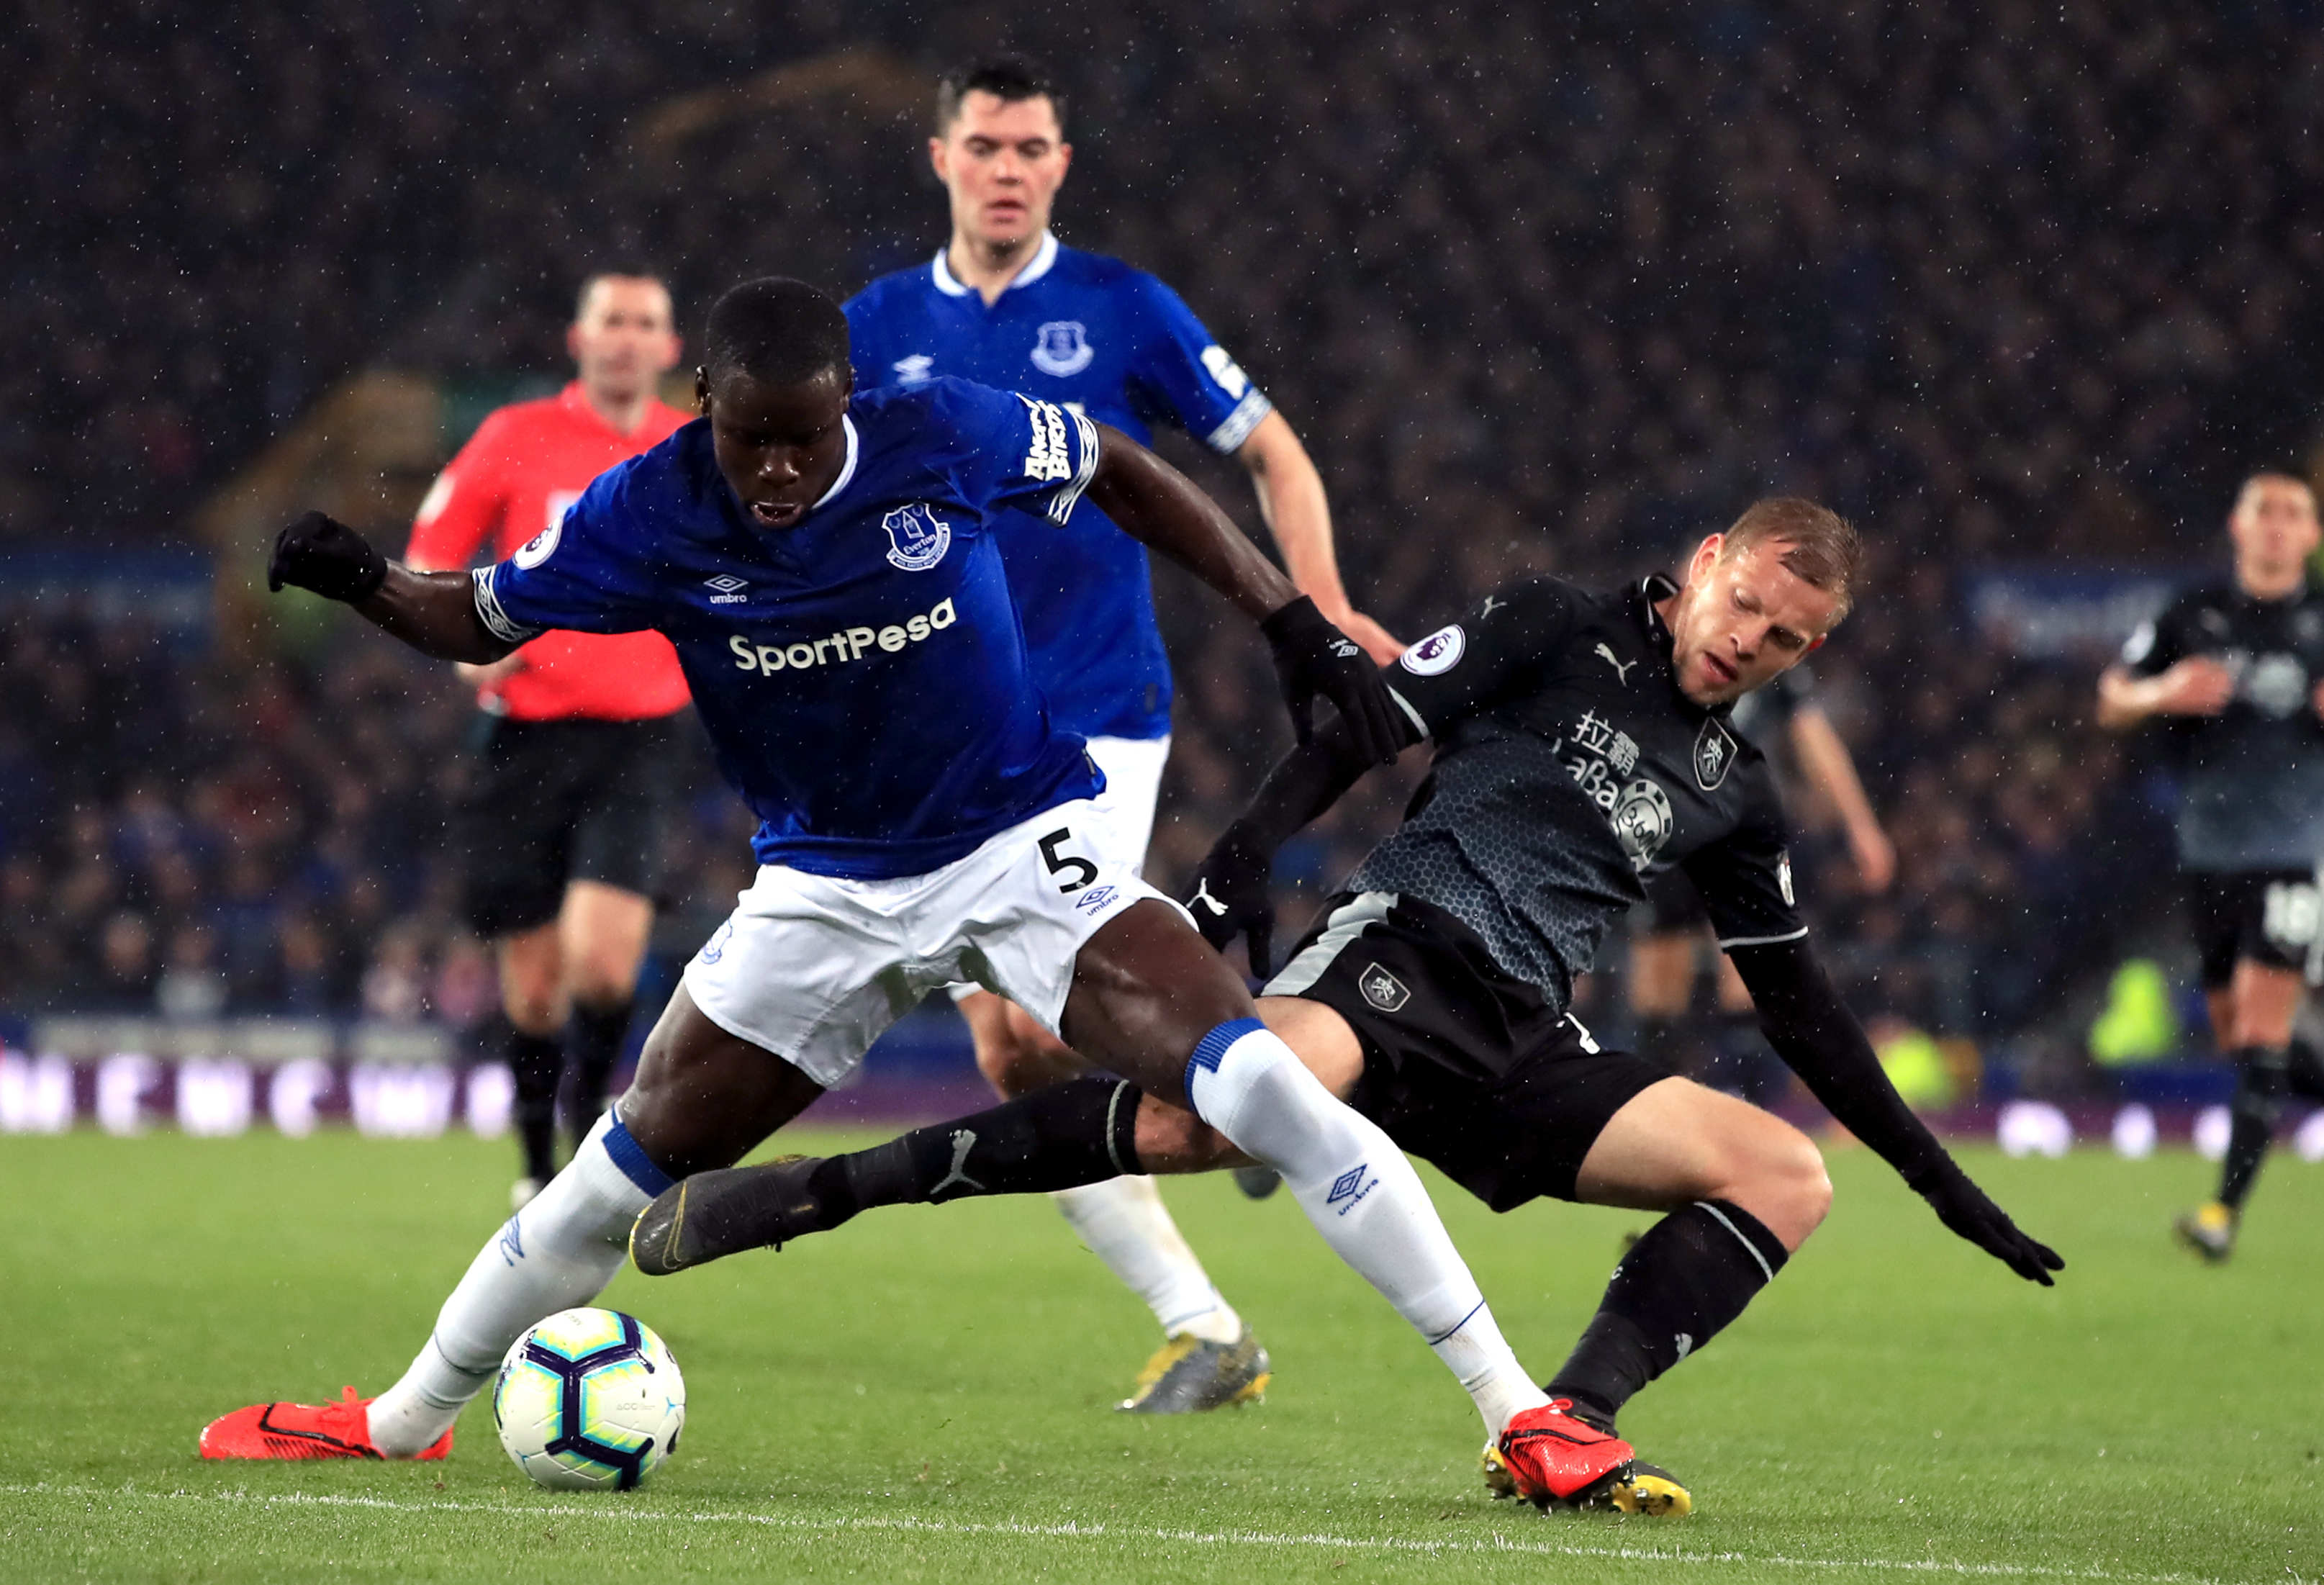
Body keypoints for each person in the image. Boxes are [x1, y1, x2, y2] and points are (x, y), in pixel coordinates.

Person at [201, 278, 1625, 1512]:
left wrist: (1291, 622)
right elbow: (480, 615)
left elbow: (1122, 469)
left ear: (849, 399)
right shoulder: (648, 508)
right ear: (704, 409)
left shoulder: (939, 429)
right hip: (820, 891)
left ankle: (1522, 1412)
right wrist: (368, 582)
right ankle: (401, 1421)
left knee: (1258, 1083)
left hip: (1019, 846)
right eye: (749, 439)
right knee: (611, 1177)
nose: (775, 469)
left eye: (802, 436)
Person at [628, 498, 2064, 1514]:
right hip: (1402, 958)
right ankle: (822, 1191)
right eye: (1746, 603)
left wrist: (1946, 1187)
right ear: (1707, 565)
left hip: (1524, 1039)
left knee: (1786, 1173)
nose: (1751, 641)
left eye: (1788, 641)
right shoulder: (1555, 624)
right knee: (1200, 1124)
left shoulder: (1734, 793)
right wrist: (1236, 867)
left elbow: (1804, 1011)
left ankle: (1567, 1420)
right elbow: (1367, 724)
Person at [840, 58, 1399, 1410]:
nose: (1008, 169)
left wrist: (1320, 602)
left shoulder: (1122, 307)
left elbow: (1272, 448)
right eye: (985, 146)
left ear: (1062, 165)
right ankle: (1229, 1086)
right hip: (940, 728)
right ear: (942, 158)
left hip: (1095, 713)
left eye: (1031, 147)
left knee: (1025, 1017)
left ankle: (1213, 1264)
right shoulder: (875, 323)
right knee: (1015, 1049)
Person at [406, 271, 695, 1206]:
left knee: (604, 967)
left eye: (644, 323)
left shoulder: (689, 448)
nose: (626, 337)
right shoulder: (514, 434)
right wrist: (465, 642)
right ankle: (536, 1167)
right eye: (612, 320)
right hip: (525, 737)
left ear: (669, 347)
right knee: (533, 990)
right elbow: (433, 549)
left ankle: (586, 1135)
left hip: (640, 739)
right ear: (580, 338)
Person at [2097, 472, 2324, 1263]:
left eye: (2293, 513)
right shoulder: (2192, 613)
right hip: (2211, 846)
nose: (2277, 524)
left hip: (2298, 847)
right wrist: (2165, 691)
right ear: (2238, 527)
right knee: (2240, 1038)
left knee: (2266, 1030)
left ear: (2312, 535)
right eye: (2263, 510)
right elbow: (2112, 698)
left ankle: (2222, 1214)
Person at [1624, 659, 1895, 1090]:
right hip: (1666, 821)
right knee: (1661, 986)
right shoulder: (1667, 643)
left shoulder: (1776, 654)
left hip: (1736, 827)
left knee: (1747, 977)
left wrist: (1860, 825)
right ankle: (1661, 1106)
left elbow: (1812, 735)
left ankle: (1744, 1104)